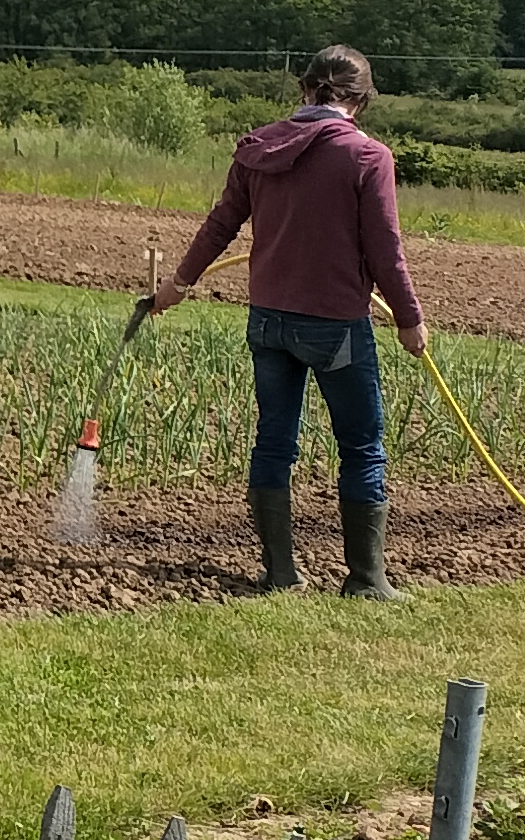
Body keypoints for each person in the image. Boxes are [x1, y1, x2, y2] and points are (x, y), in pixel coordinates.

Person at [151, 43, 432, 601]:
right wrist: (409, 318)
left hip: (268, 322)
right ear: (362, 100)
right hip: (335, 327)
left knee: (274, 442)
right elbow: (385, 249)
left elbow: (220, 225)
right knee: (362, 447)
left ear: (304, 89)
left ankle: (279, 573)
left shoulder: (258, 147)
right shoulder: (367, 156)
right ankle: (367, 579)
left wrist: (177, 285)